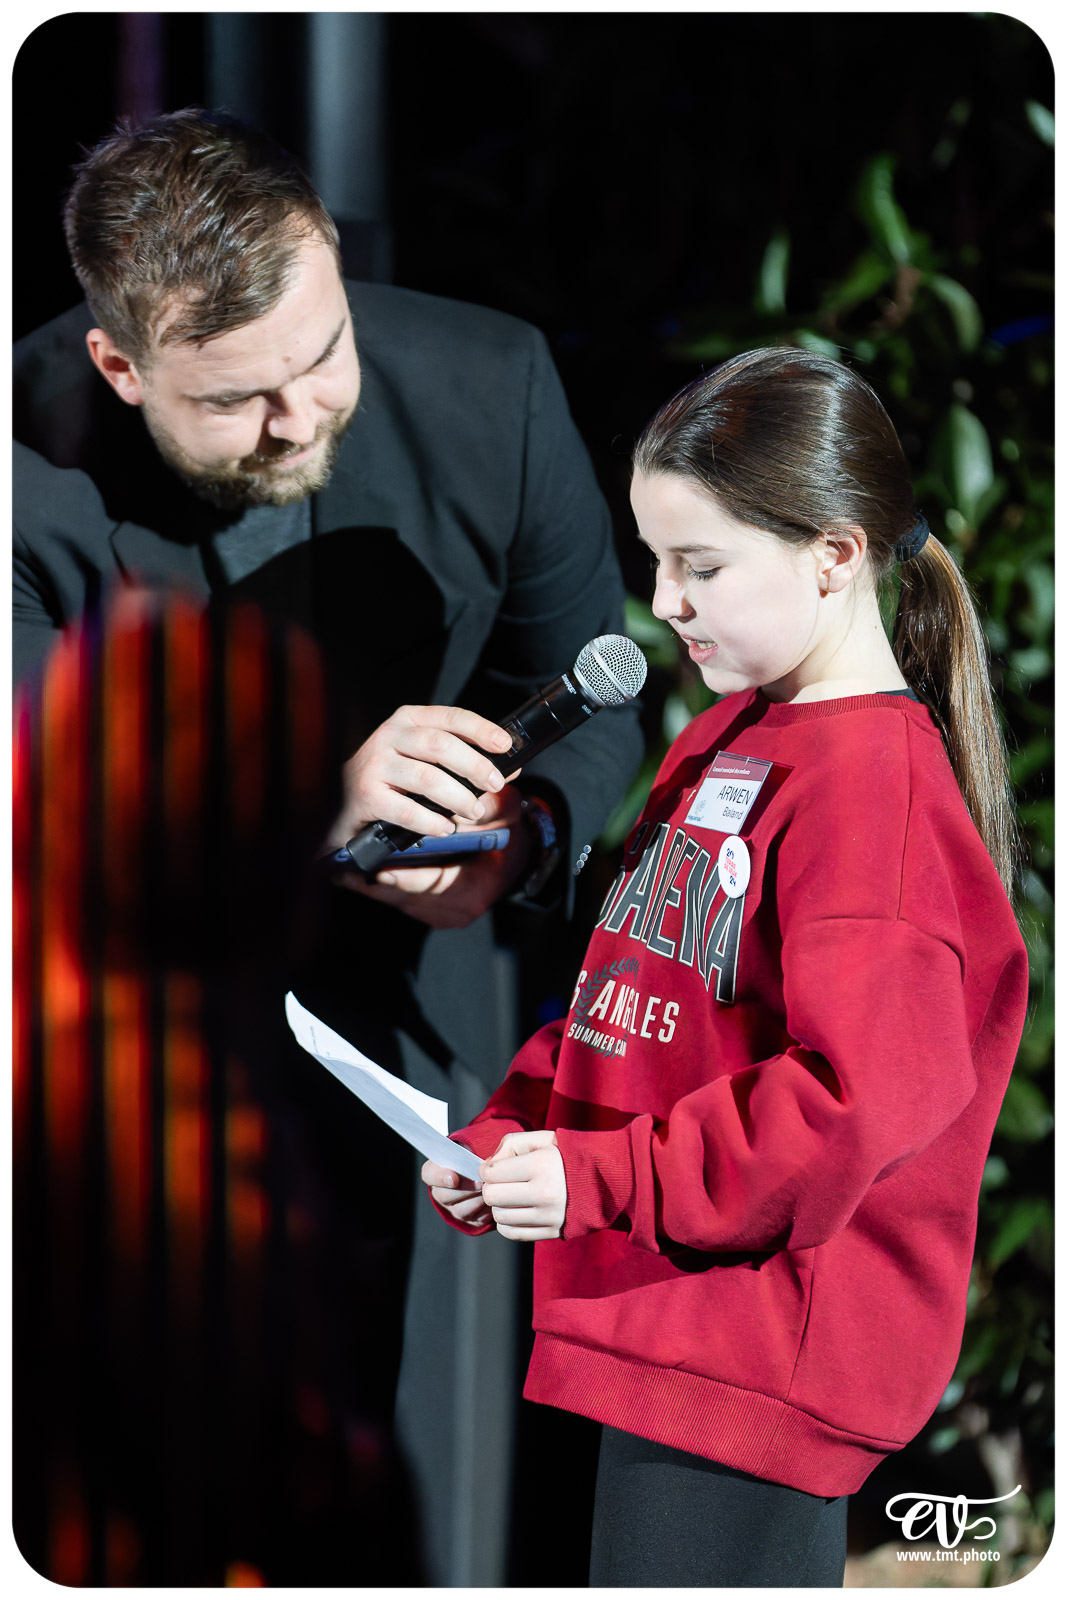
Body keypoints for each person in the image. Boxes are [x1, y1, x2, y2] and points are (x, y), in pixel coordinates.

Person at [12, 108, 642, 1583]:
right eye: (236, 399)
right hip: (142, 1053)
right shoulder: (12, 464)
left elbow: (593, 684)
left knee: (438, 1484)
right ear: (119, 367)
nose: (299, 419)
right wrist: (312, 803)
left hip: (440, 1017)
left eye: (323, 354)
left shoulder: (493, 381)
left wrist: (525, 836)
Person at [422, 347, 1029, 1586]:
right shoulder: (723, 735)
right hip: (647, 1317)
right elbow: (630, 993)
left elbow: (852, 1099)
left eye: (700, 566)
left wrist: (600, 1176)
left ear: (833, 554)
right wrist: (517, 1128)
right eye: (656, 561)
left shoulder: (873, 793)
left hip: (752, 1365)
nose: (665, 601)